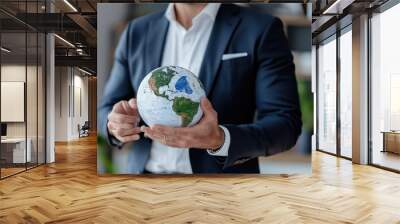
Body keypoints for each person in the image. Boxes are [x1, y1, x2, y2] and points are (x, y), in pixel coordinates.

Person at [99, 3, 302, 174]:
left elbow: (285, 124)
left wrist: (220, 139)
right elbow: (106, 109)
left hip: (223, 193)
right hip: (144, 184)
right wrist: (115, 123)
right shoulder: (136, 31)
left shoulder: (261, 29)